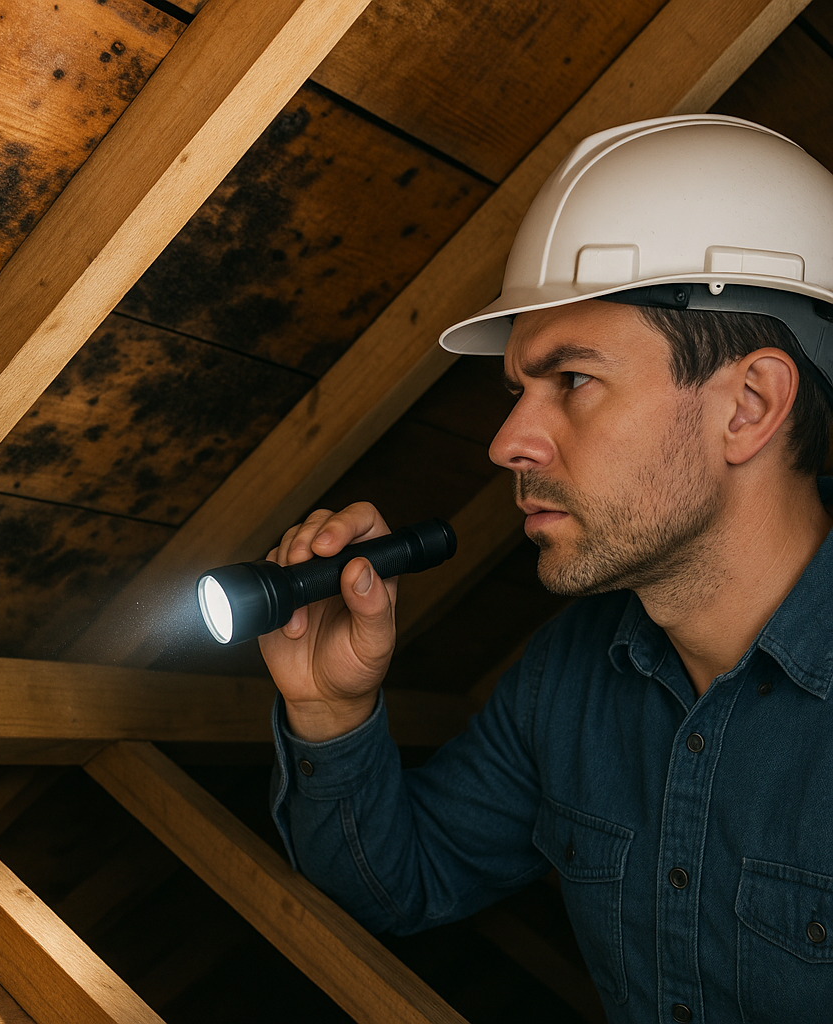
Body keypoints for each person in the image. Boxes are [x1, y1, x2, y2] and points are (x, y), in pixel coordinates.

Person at [260, 115, 833, 1023]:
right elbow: (397, 889)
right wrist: (331, 712)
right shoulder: (565, 678)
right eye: (518, 389)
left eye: (572, 380)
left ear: (750, 406)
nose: (505, 444)